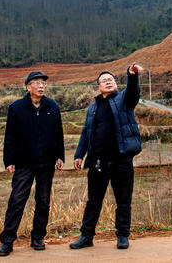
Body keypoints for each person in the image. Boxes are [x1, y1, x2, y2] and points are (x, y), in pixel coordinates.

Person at [70, 63, 144, 251]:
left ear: (116, 84)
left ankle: (122, 236)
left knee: (123, 200)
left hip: (121, 160)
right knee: (93, 201)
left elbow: (133, 92)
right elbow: (86, 133)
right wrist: (79, 154)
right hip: (98, 161)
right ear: (99, 87)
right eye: (104, 81)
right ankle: (86, 236)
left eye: (110, 79)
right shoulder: (92, 108)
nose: (108, 82)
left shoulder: (124, 100)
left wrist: (132, 75)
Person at [0, 71, 65, 257]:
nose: (41, 86)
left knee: (43, 201)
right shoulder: (17, 108)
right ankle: (7, 240)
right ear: (28, 87)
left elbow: (59, 133)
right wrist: (9, 160)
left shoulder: (52, 106)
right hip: (24, 162)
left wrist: (60, 156)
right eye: (36, 83)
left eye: (43, 83)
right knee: (17, 200)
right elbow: (9, 136)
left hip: (47, 162)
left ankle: (38, 237)